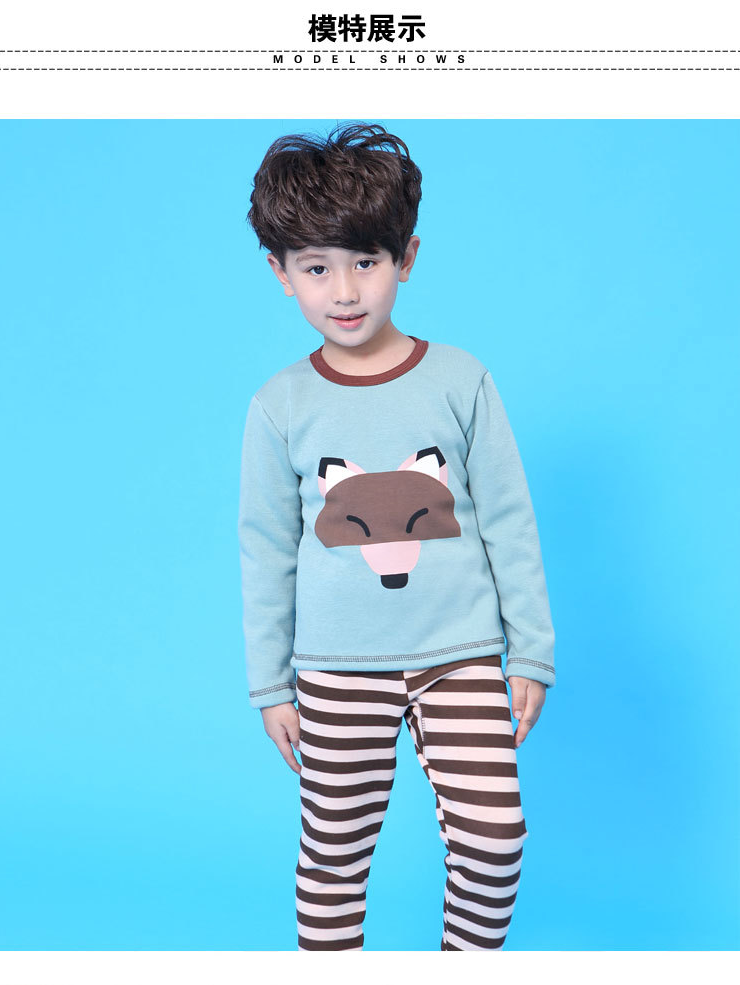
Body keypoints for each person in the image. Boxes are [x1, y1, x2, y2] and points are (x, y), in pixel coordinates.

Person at [237, 121, 556, 951]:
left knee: (495, 841)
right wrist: (270, 684)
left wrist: (530, 650)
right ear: (280, 273)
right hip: (336, 665)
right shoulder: (279, 405)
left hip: (461, 653)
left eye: (366, 261)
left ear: (406, 257)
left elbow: (511, 519)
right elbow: (266, 551)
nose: (345, 290)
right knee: (334, 853)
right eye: (316, 267)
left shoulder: (461, 380)